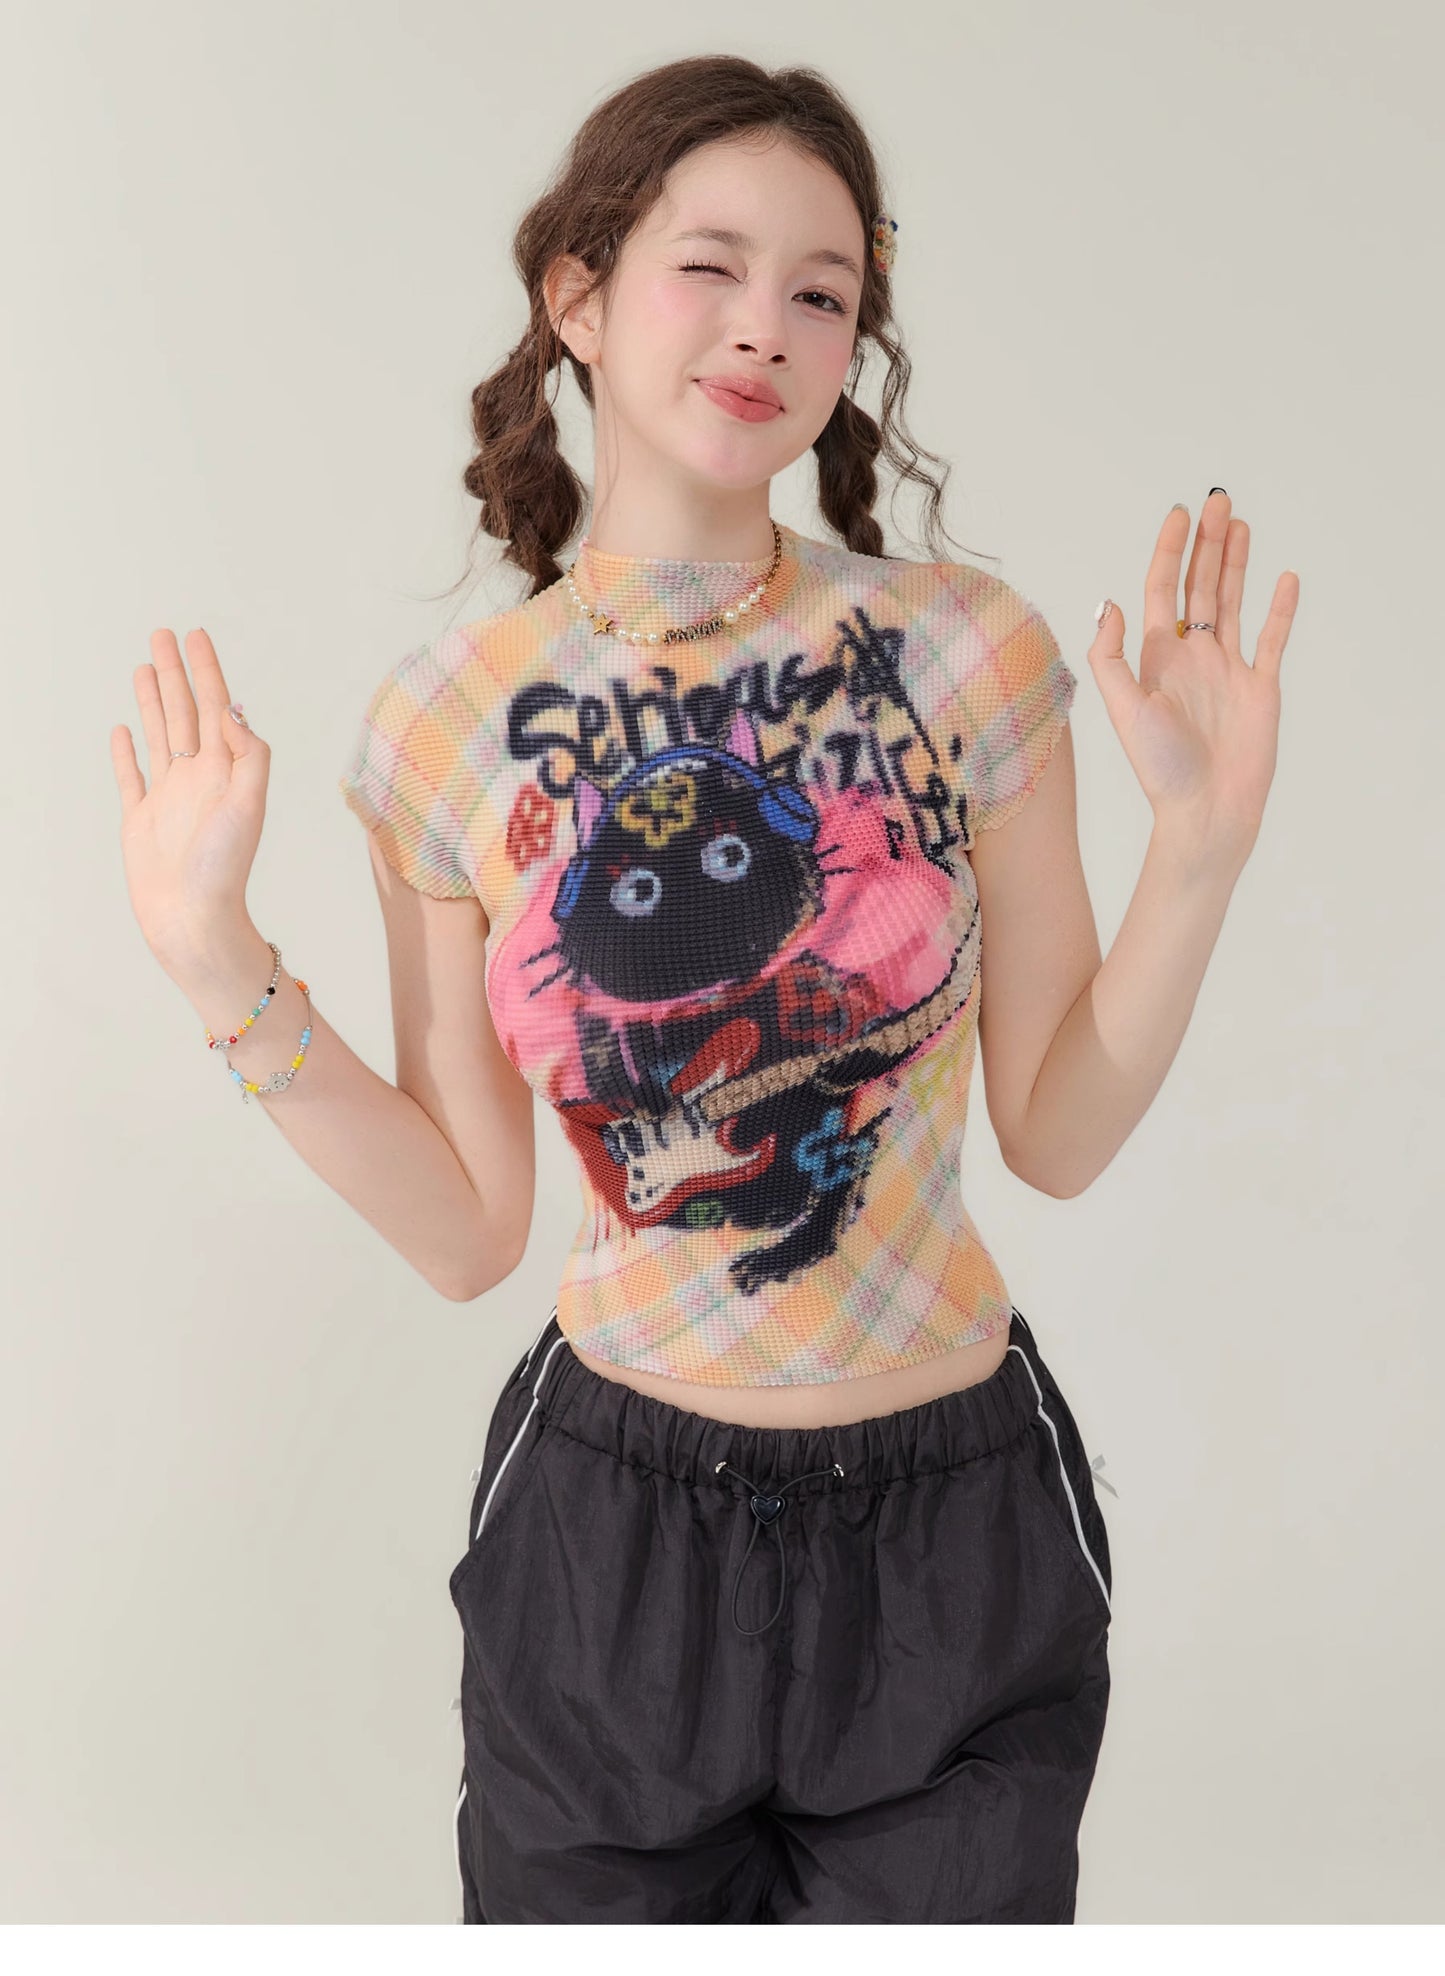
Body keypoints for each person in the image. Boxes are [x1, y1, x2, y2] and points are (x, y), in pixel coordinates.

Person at [111, 54, 1295, 1928]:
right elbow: (465, 1225)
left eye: (822, 292)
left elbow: (1058, 1131)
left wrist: (1201, 852)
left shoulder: (963, 653)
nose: (766, 328)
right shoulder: (449, 725)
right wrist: (216, 961)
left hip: (953, 1539)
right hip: (612, 1555)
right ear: (576, 294)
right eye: (710, 267)